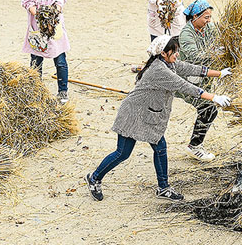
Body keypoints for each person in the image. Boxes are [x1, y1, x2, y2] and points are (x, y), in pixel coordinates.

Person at [85, 35, 232, 202]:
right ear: (163, 53)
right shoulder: (159, 70)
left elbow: (190, 68)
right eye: (174, 51)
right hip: (133, 114)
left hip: (148, 115)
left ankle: (163, 187)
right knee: (122, 153)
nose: (177, 54)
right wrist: (214, 98)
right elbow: (184, 86)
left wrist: (219, 73)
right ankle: (94, 178)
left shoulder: (169, 63)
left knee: (160, 147)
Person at [21, 0, 71, 104]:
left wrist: (53, 12)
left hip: (54, 27)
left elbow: (59, 1)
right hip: (37, 27)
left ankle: (63, 92)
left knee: (60, 59)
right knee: (36, 60)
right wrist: (40, 14)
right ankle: (35, 91)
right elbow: (28, 3)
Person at [177, 0, 221, 160]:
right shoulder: (186, 34)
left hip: (203, 78)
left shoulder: (207, 28)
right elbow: (195, 57)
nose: (209, 21)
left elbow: (220, 38)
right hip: (188, 79)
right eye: (206, 17)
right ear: (194, 16)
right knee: (208, 109)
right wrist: (216, 54)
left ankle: (195, 145)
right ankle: (194, 146)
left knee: (208, 109)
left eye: (210, 17)